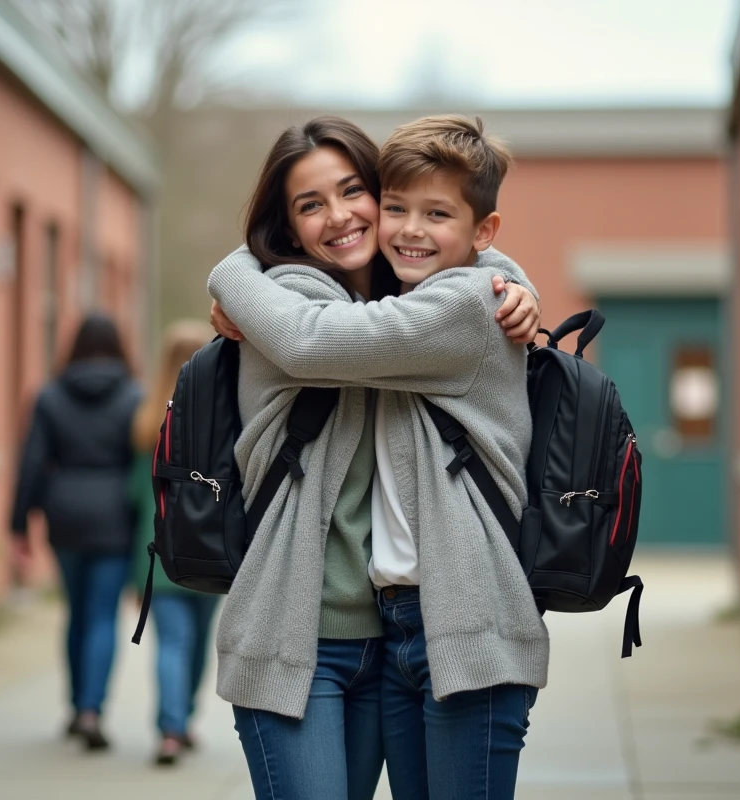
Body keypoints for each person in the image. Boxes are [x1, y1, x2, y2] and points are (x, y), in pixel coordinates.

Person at [208, 114, 548, 799]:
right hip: (301, 632)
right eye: (309, 204)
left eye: (353, 191)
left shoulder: (430, 299)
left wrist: (512, 281)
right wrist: (235, 271)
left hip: (412, 632)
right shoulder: (290, 303)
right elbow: (307, 340)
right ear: (288, 225)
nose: (339, 216)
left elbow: (460, 286)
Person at [10, 313, 142, 752]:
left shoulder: (50, 395)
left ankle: (74, 706)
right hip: (114, 513)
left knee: (77, 612)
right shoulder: (133, 395)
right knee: (103, 614)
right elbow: (145, 464)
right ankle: (91, 709)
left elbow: (31, 463)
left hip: (63, 512)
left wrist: (18, 524)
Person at [129, 320, 221, 766]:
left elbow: (135, 495)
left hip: (157, 554)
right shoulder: (219, 421)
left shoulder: (146, 423)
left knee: (173, 643)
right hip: (207, 551)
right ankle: (179, 720)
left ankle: (171, 728)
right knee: (198, 643)